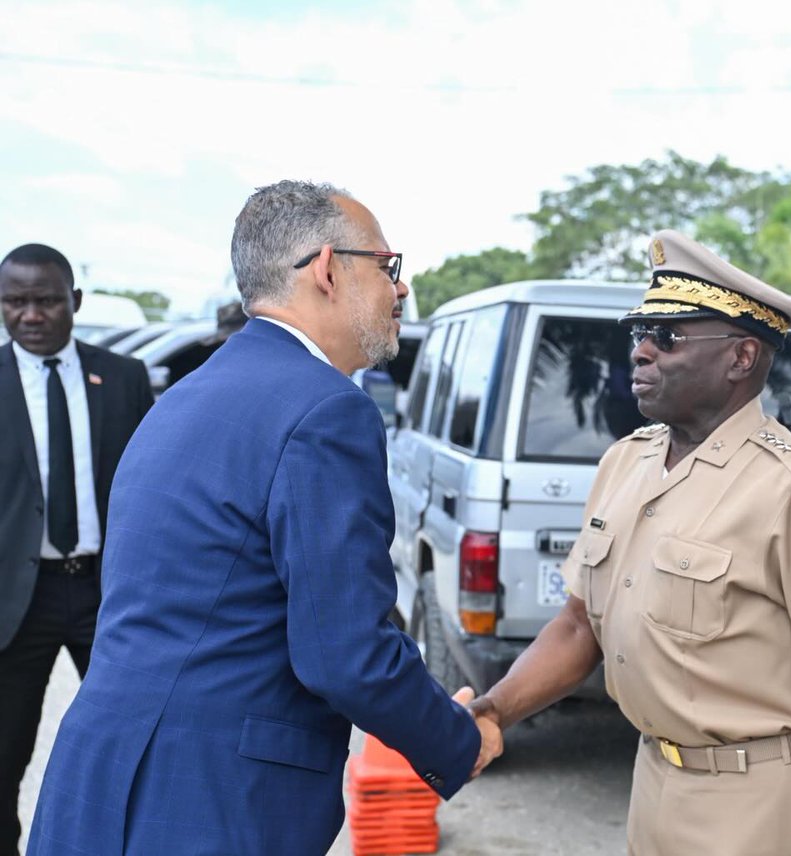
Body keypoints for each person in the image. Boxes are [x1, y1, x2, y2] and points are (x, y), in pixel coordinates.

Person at [28, 182, 501, 856]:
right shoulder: (326, 410)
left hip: (100, 784)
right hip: (209, 802)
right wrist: (459, 738)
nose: (400, 288)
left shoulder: (185, 396)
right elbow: (345, 653)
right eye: (387, 265)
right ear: (327, 269)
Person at [469, 229, 791, 856]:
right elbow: (578, 626)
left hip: (755, 801)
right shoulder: (625, 462)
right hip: (654, 781)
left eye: (668, 335)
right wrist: (493, 711)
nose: (641, 352)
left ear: (741, 358)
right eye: (640, 332)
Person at [0, 244, 154, 855]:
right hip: (16, 602)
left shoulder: (124, 378)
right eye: (14, 302)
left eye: (45, 301)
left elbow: (152, 486)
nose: (30, 315)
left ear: (76, 302)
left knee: (137, 748)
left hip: (108, 594)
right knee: (4, 759)